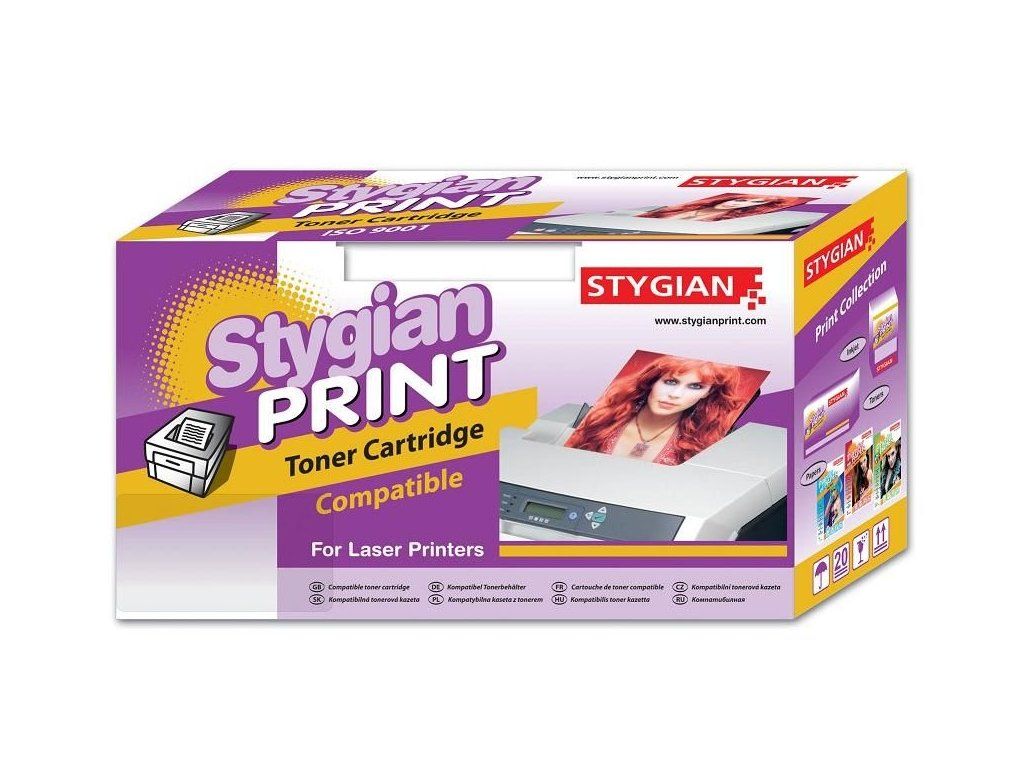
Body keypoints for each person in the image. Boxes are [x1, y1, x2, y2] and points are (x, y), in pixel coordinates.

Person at [565, 355, 745, 466]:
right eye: (671, 382)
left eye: (695, 386)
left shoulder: (702, 442)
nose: (675, 394)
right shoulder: (601, 420)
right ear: (652, 381)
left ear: (708, 393)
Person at [638, 193, 810, 222]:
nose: (740, 203)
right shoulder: (676, 208)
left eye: (754, 204)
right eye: (742, 200)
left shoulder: (725, 221)